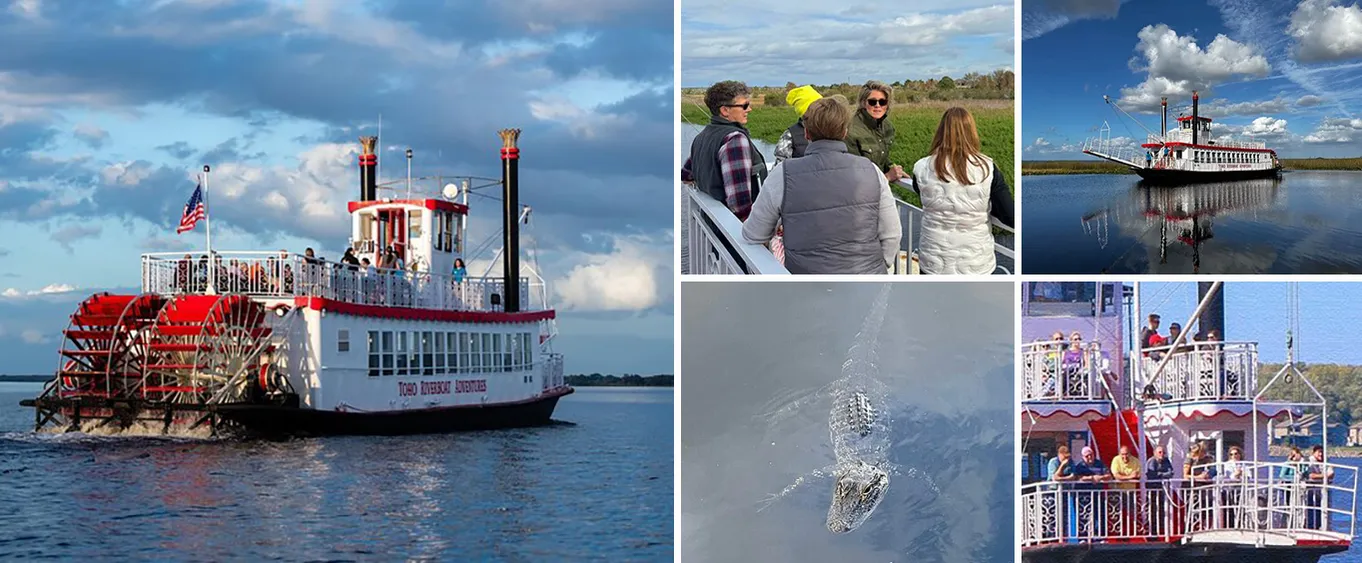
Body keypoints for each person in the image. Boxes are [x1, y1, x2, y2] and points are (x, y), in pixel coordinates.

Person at [741, 98, 901, 274]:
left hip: (805, 287)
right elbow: (892, 234)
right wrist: (877, 267)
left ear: (807, 133)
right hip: (867, 284)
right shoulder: (871, 170)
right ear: (845, 132)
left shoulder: (782, 174)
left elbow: (753, 234)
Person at [911, 107, 1015, 275]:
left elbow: (921, 192)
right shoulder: (987, 168)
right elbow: (1009, 216)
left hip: (933, 262)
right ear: (971, 132)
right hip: (975, 263)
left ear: (941, 131)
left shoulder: (922, 167)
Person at [680, 80, 768, 221]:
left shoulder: (701, 137)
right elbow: (740, 205)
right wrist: (760, 235)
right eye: (744, 105)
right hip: (732, 233)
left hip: (712, 225)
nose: (749, 109)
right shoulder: (735, 140)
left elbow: (685, 175)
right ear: (725, 110)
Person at [844, 81, 905, 183]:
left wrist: (892, 168)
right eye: (872, 102)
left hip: (880, 189)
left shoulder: (887, 126)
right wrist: (888, 177)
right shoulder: (851, 131)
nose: (878, 106)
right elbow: (852, 176)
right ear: (863, 103)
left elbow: (881, 158)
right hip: (860, 192)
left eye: (882, 102)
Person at [774, 85, 823, 163]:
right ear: (805, 111)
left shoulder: (829, 129)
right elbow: (780, 167)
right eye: (819, 106)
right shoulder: (789, 136)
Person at [1145, 445, 1175, 537]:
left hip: (1162, 489)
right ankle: (1151, 531)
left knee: (1162, 509)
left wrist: (1160, 474)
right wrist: (1163, 474)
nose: (1162, 454)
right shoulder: (1151, 461)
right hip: (1152, 489)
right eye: (1160, 452)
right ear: (1155, 453)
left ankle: (1162, 529)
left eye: (1163, 452)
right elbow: (1152, 475)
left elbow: (1171, 473)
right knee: (1152, 509)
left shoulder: (1166, 461)